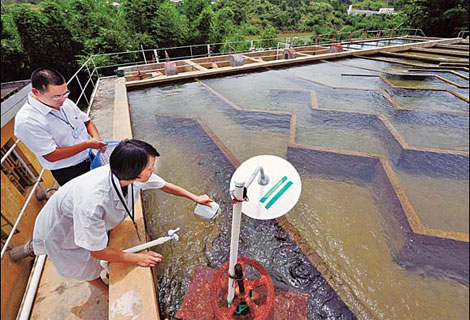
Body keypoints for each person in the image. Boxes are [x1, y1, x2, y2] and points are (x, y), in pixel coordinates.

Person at [32, 139, 213, 299]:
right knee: (83, 264)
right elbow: (96, 251)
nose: (153, 170)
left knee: (94, 249)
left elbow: (164, 185)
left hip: (77, 214)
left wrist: (195, 198)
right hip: (60, 229)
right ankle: (104, 289)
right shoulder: (92, 202)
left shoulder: (125, 173)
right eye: (150, 168)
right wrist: (135, 258)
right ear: (134, 173)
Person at [14, 68, 106, 186]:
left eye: (65, 93)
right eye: (56, 96)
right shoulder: (28, 121)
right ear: (36, 92)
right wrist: (88, 144)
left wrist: (97, 140)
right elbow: (52, 155)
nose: (63, 99)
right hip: (69, 171)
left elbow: (86, 121)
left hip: (89, 158)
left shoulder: (64, 102)